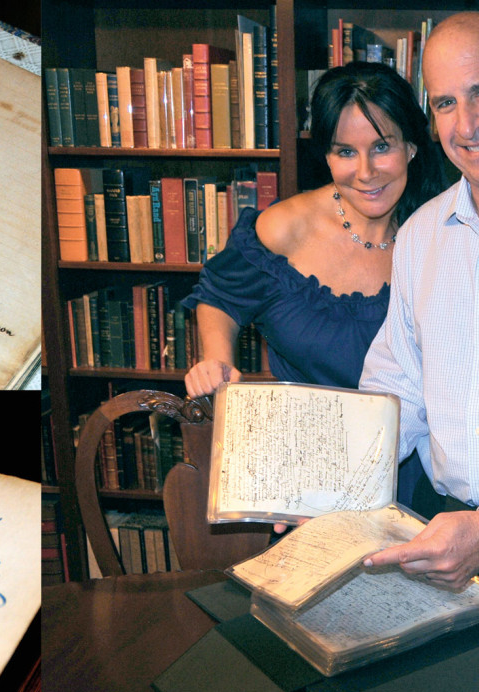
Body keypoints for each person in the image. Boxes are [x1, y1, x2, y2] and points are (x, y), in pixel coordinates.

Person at [182, 61, 445, 506]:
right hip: (305, 479)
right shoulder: (286, 227)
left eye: (382, 147)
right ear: (325, 154)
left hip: (416, 481)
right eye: (344, 152)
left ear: (413, 147)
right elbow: (220, 294)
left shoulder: (441, 234)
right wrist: (217, 359)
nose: (365, 172)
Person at [360, 12, 479, 591]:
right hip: (444, 533)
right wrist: (329, 487)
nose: (468, 125)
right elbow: (396, 389)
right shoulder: (420, 236)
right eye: (446, 103)